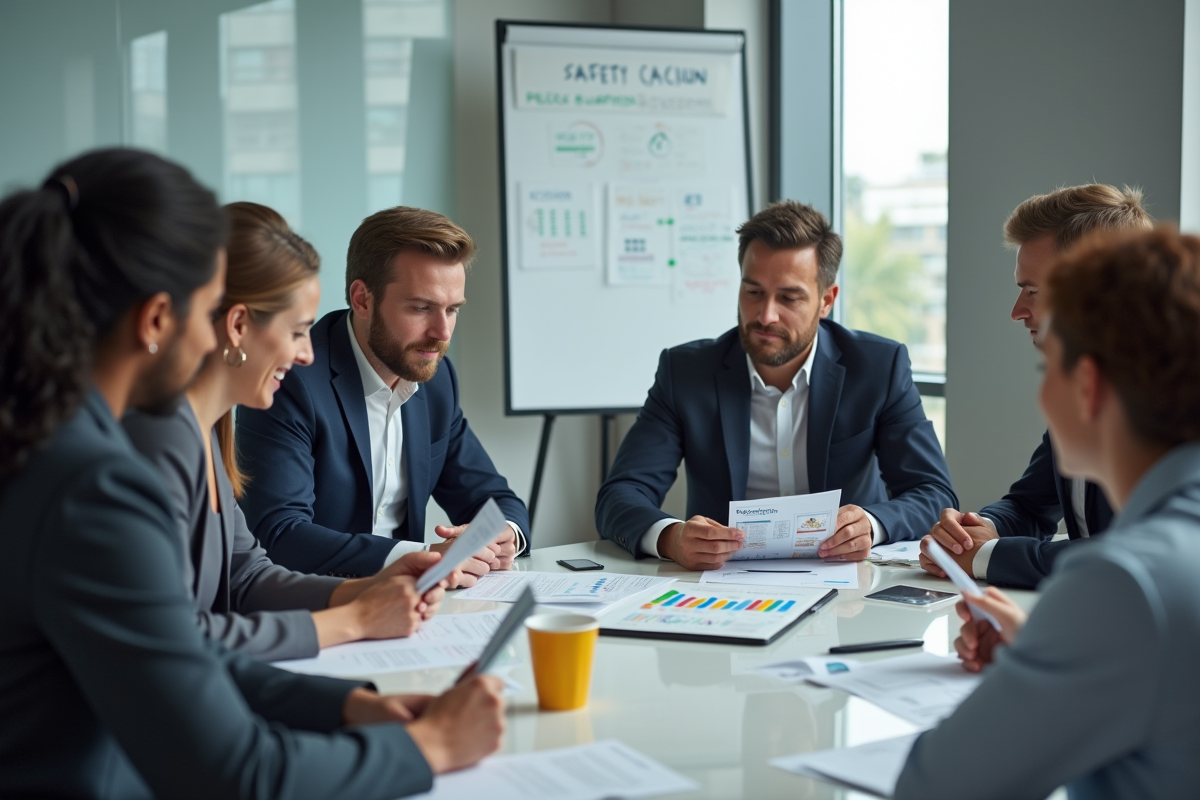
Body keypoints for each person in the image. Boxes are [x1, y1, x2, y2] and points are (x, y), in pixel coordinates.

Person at [0, 149, 504, 799]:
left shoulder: (74, 443)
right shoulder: (97, 485)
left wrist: (346, 705)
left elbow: (182, 649)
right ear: (157, 320)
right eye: (211, 306)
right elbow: (239, 773)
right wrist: (430, 747)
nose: (218, 334)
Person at [895, 226, 1200, 799]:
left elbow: (933, 785)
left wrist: (1038, 666)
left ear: (1087, 386)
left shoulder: (1123, 584)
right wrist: (1053, 645)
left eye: (1047, 368)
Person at [124, 202, 447, 662]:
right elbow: (174, 642)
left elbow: (247, 576)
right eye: (298, 332)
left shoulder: (206, 430)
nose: (307, 355)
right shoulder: (156, 442)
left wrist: (372, 589)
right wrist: (354, 620)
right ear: (237, 326)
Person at [595, 200, 956, 570]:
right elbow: (620, 495)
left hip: (846, 586)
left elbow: (933, 493)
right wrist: (671, 538)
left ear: (826, 300)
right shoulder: (685, 372)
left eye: (789, 297)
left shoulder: (878, 367)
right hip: (721, 586)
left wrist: (872, 524)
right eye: (753, 292)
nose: (766, 315)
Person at [238, 207, 529, 583]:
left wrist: (504, 533)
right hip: (314, 605)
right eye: (421, 308)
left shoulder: (436, 379)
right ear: (362, 299)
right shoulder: (290, 378)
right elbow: (278, 533)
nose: (441, 333)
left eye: (452, 310)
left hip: (407, 608)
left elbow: (491, 496)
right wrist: (422, 558)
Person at [920, 185, 1151, 588]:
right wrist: (972, 531)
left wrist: (987, 557)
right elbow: (1029, 505)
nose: (1017, 312)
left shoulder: (1170, 401)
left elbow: (1130, 550)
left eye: (1034, 291)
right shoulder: (1082, 388)